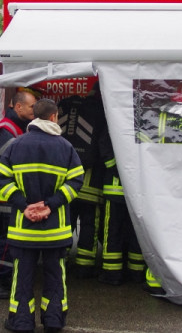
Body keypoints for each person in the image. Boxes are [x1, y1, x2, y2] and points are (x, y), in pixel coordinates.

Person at [0, 98, 84, 333]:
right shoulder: (66, 147)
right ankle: (53, 321)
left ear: (35, 116)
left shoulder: (16, 145)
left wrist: (24, 206)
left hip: (23, 229)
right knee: (55, 276)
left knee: (22, 277)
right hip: (55, 230)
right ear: (54, 117)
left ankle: (22, 322)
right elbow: (76, 181)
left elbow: (1, 178)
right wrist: (50, 206)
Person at [0, 89, 37, 299]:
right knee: (7, 240)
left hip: (12, 194)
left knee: (10, 239)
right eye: (31, 107)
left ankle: (3, 277)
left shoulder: (18, 127)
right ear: (18, 106)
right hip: (5, 195)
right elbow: (10, 157)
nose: (34, 111)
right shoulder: (5, 128)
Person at [58, 87, 106, 278]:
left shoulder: (66, 106)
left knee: (65, 222)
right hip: (91, 181)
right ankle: (84, 266)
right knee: (89, 225)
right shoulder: (100, 111)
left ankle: (60, 258)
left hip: (67, 181)